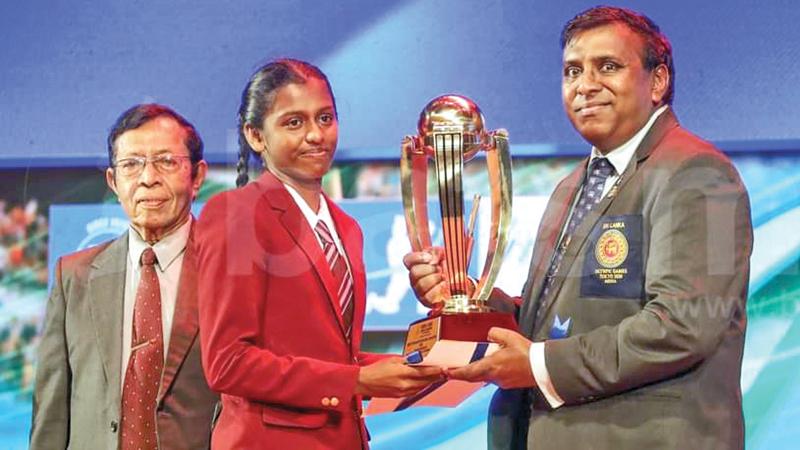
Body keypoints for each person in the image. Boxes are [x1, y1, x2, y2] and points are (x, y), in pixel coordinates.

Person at [404, 6, 752, 449]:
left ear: (658, 81)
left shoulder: (702, 174)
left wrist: (538, 364)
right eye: (573, 71)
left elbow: (684, 325)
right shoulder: (572, 186)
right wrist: (468, 296)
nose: (586, 85)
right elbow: (552, 321)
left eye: (608, 66)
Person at [195, 58, 442, 450]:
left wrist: (408, 366)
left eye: (325, 118)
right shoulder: (236, 215)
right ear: (256, 136)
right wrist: (356, 381)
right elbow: (228, 362)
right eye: (294, 122)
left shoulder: (346, 227)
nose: (316, 135)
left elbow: (325, 354)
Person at [30, 104, 219, 449]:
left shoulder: (230, 270)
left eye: (166, 161)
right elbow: (52, 413)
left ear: (197, 176)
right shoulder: (74, 276)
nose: (148, 178)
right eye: (131, 165)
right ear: (113, 181)